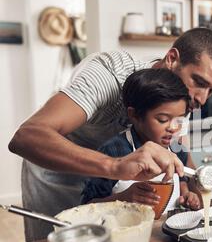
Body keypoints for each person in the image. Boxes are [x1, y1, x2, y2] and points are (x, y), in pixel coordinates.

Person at [8, 28, 212, 242]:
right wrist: (115, 166)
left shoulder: (181, 98)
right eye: (199, 82)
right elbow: (27, 136)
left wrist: (196, 187)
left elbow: (179, 149)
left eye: (211, 91)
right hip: (58, 175)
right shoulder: (109, 75)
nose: (202, 99)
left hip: (113, 183)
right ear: (172, 59)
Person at [81, 68, 201, 212]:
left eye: (180, 120)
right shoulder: (114, 151)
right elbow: (86, 207)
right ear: (135, 115)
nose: (174, 128)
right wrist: (124, 197)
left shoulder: (176, 149)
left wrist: (187, 194)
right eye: (163, 120)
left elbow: (182, 182)